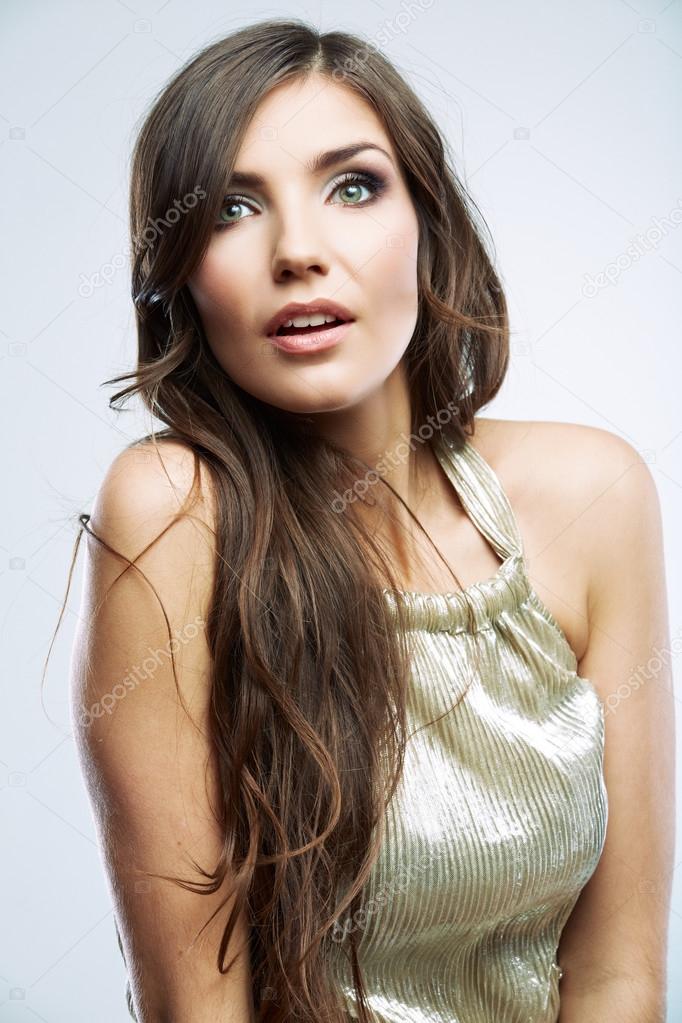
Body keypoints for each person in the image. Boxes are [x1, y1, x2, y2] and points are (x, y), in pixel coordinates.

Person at [66, 18, 674, 1023]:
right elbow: (195, 1010)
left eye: (352, 186)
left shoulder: (594, 496)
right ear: (180, 272)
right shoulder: (173, 513)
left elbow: (618, 977)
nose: (298, 251)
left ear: (427, 221)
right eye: (230, 208)